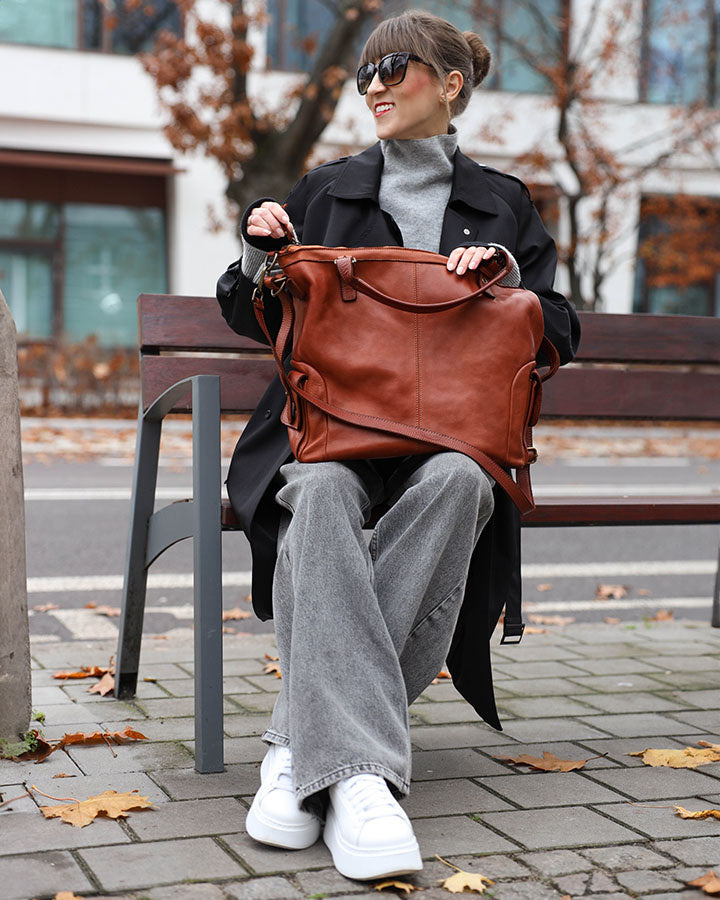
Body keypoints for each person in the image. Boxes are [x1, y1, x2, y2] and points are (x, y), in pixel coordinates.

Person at [216, 8, 580, 881]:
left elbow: (560, 328)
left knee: (463, 482)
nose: (374, 86)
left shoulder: (504, 203)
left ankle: (298, 752)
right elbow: (247, 309)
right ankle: (362, 779)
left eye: (394, 69)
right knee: (321, 492)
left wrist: (505, 284)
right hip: (327, 430)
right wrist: (262, 256)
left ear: (450, 84)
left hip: (449, 438)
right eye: (365, 74)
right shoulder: (324, 187)